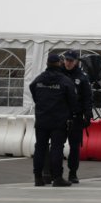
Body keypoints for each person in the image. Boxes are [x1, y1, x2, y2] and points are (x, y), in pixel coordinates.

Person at [29, 54, 77, 187]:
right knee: (57, 148)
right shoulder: (65, 80)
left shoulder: (39, 79)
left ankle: (38, 177)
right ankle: (57, 178)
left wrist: (42, 104)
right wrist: (71, 113)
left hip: (42, 118)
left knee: (40, 147)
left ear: (47, 63)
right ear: (59, 63)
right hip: (59, 120)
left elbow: (33, 90)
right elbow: (73, 100)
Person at [62, 50, 93, 184]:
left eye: (71, 61)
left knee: (74, 146)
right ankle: (55, 172)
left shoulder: (82, 77)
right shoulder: (58, 74)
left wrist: (88, 114)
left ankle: (73, 172)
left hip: (76, 116)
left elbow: (87, 97)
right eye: (66, 60)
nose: (68, 63)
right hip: (60, 115)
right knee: (57, 145)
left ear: (75, 62)